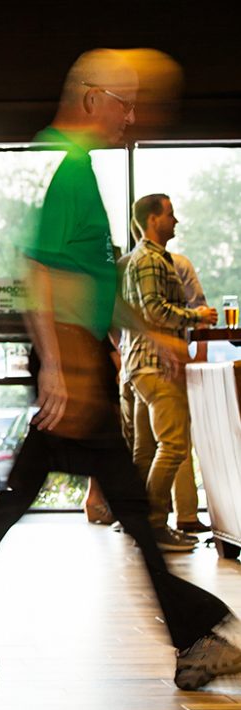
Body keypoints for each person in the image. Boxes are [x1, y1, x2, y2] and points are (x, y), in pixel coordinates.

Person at [0, 49, 241, 691]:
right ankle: (198, 632)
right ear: (93, 99)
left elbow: (95, 282)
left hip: (82, 359)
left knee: (34, 505)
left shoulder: (82, 169)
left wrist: (150, 332)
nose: (133, 118)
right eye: (126, 104)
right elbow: (38, 273)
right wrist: (61, 374)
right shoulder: (70, 168)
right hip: (73, 366)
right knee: (128, 508)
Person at [121, 193, 217, 550]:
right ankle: (155, 524)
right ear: (152, 220)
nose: (175, 221)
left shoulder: (148, 259)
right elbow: (155, 310)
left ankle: (145, 523)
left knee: (148, 449)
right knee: (175, 445)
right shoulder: (149, 260)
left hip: (141, 365)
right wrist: (199, 317)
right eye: (170, 214)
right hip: (155, 365)